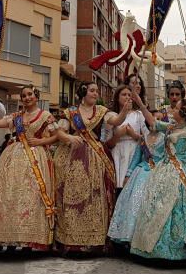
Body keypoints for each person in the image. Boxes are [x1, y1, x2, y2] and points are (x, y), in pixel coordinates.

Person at [130, 94, 186, 261]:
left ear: (182, 113)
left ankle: (178, 250)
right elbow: (152, 123)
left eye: (176, 108)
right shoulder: (170, 128)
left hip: (183, 173)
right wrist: (140, 104)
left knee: (177, 209)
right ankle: (156, 248)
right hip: (165, 171)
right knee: (158, 206)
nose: (172, 109)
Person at [0, 86, 59, 249]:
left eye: (30, 94)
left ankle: (30, 239)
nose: (27, 97)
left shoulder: (46, 115)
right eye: (24, 96)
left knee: (32, 195)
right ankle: (10, 236)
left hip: (37, 159)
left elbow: (57, 136)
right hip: (13, 157)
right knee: (10, 194)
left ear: (36, 96)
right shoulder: (17, 117)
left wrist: (40, 142)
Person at [53, 81, 130, 253]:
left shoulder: (102, 112)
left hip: (95, 157)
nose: (95, 94)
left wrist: (124, 110)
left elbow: (116, 120)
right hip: (72, 157)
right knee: (72, 197)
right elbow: (58, 131)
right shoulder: (71, 112)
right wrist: (69, 138)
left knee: (95, 196)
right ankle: (70, 241)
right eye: (92, 91)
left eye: (96, 91)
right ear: (83, 92)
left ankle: (94, 241)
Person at [107, 100, 168, 245]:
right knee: (134, 200)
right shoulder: (143, 138)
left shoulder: (165, 139)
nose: (156, 122)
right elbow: (135, 158)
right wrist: (128, 174)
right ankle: (129, 236)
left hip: (159, 172)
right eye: (153, 119)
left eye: (159, 119)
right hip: (141, 171)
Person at [107, 74, 148, 189]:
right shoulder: (111, 115)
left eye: (129, 95)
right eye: (123, 94)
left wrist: (133, 134)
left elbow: (146, 138)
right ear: (117, 97)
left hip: (134, 151)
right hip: (117, 152)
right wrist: (118, 135)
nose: (127, 97)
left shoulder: (138, 115)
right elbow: (107, 143)